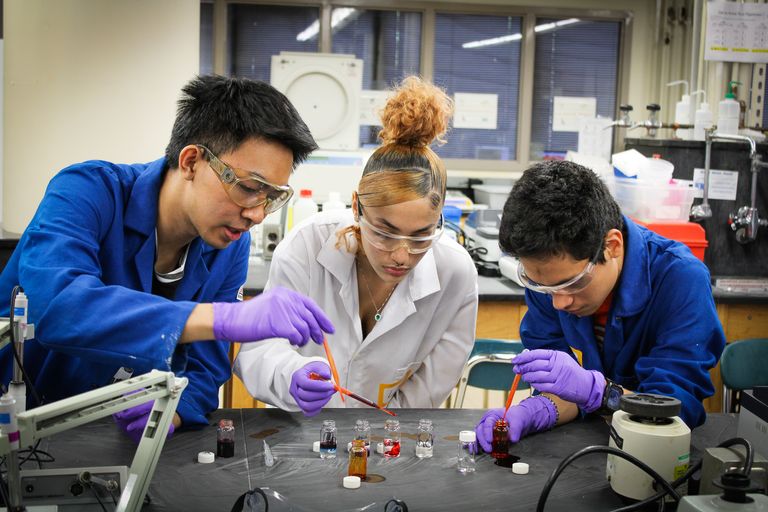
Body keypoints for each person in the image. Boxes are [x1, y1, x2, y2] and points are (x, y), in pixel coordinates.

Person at [0, 75, 334, 441]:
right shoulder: (87, 191)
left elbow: (207, 369)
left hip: (118, 446)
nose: (257, 214)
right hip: (21, 429)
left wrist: (173, 412)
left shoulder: (228, 245)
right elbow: (59, 307)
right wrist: (223, 318)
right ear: (191, 161)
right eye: (250, 188)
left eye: (272, 197)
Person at [234, 77, 478, 415]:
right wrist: (291, 375)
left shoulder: (454, 272)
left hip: (390, 437)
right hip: (301, 431)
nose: (402, 255)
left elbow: (434, 381)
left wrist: (377, 434)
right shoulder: (308, 246)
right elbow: (259, 349)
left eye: (422, 235)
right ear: (356, 207)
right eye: (384, 232)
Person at [475, 160, 725, 452]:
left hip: (655, 457)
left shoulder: (680, 280)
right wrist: (537, 410)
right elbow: (564, 392)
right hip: (583, 455)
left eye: (573, 283)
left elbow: (674, 414)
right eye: (544, 287)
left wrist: (601, 393)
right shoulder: (548, 277)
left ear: (612, 246)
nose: (558, 301)